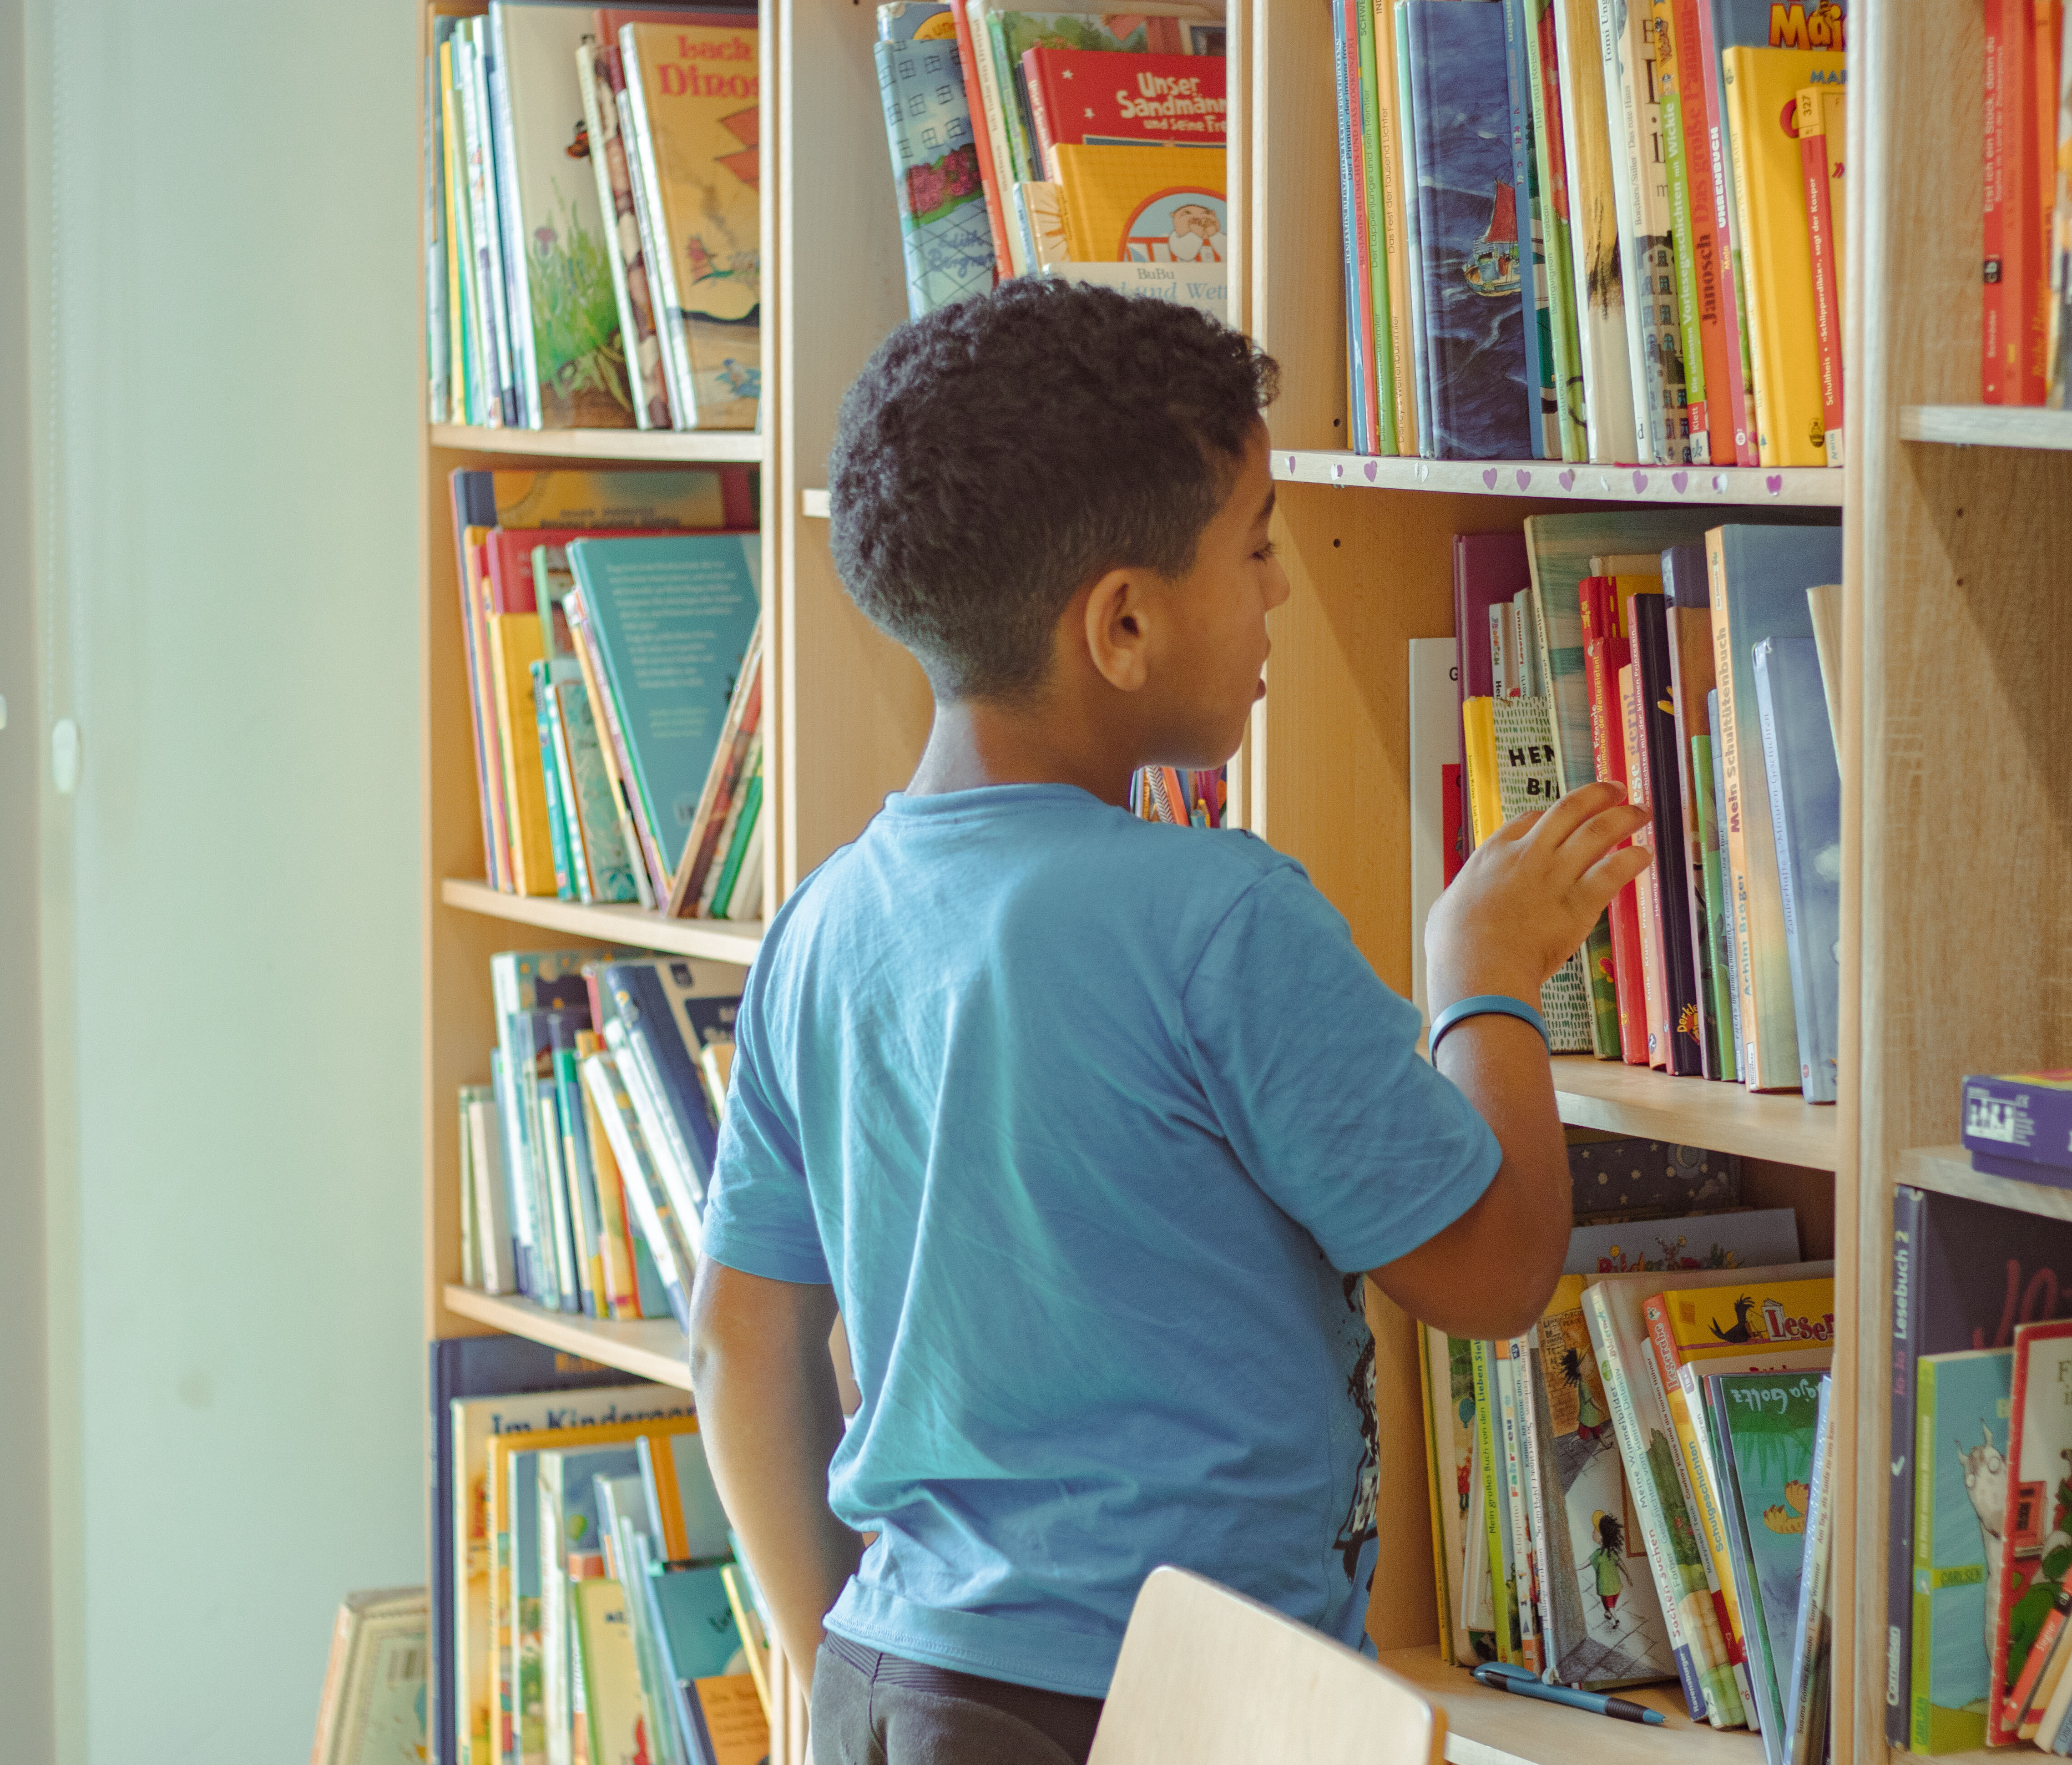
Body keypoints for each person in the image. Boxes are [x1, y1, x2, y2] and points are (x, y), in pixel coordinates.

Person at [689, 278, 1649, 1765]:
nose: (1281, 591)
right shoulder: (1217, 916)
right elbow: (1492, 1270)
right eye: (1256, 545)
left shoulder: (821, 922)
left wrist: (840, 1665)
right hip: (1151, 1705)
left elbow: (738, 1340)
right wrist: (1484, 975)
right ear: (1124, 623)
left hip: (897, 1672)